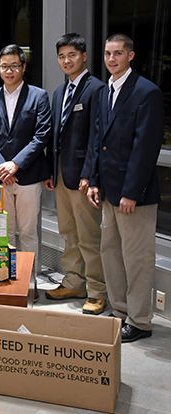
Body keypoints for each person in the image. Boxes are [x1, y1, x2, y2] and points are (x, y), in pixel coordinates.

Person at [87, 34, 164, 342]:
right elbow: (97, 141)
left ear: (131, 56)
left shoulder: (147, 92)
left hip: (134, 196)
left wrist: (131, 192)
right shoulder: (105, 92)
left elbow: (145, 148)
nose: (111, 59)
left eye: (118, 53)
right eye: (107, 53)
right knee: (111, 254)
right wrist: (93, 181)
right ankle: (120, 312)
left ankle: (141, 320)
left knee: (137, 259)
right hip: (107, 191)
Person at [43, 33, 107, 315]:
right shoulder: (59, 92)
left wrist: (90, 175)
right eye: (61, 56)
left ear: (83, 56)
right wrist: (50, 170)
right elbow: (54, 136)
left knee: (89, 235)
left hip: (82, 176)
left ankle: (97, 290)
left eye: (72, 55)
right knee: (68, 232)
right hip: (61, 174)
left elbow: (98, 137)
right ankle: (73, 281)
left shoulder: (97, 89)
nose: (66, 61)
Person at [0, 44, 52, 291]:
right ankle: (7, 282)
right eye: (4, 66)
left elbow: (41, 136)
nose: (9, 71)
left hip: (28, 177)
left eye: (13, 66)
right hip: (0, 179)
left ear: (23, 67)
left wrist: (16, 164)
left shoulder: (38, 96)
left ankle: (29, 285)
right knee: (4, 233)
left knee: (29, 232)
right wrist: (2, 166)